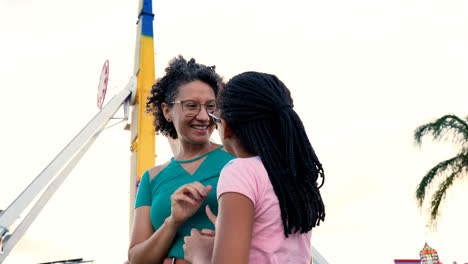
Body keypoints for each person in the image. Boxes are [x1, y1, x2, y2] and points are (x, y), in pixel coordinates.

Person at [183, 71, 326, 263]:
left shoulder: (239, 172)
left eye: (215, 120)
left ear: (226, 127)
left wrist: (199, 253)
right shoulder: (297, 176)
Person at [127, 56, 235, 264]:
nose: (204, 116)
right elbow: (135, 259)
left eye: (211, 106)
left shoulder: (237, 161)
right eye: (191, 106)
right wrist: (173, 221)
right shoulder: (151, 178)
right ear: (167, 111)